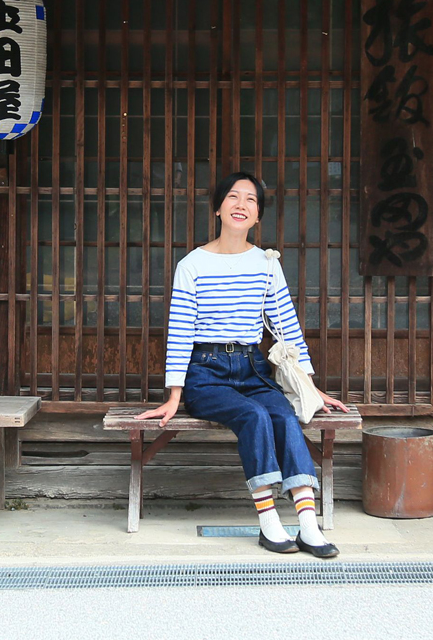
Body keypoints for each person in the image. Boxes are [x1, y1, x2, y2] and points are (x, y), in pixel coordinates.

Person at [137, 172, 349, 556]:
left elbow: (286, 328)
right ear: (218, 208)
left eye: (250, 200)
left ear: (257, 216)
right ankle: (269, 523)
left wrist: (310, 385)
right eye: (232, 197)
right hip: (207, 373)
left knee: (283, 416)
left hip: (253, 369)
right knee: (253, 416)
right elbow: (181, 330)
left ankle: (306, 525)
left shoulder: (266, 264)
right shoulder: (192, 264)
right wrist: (174, 395)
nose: (241, 205)